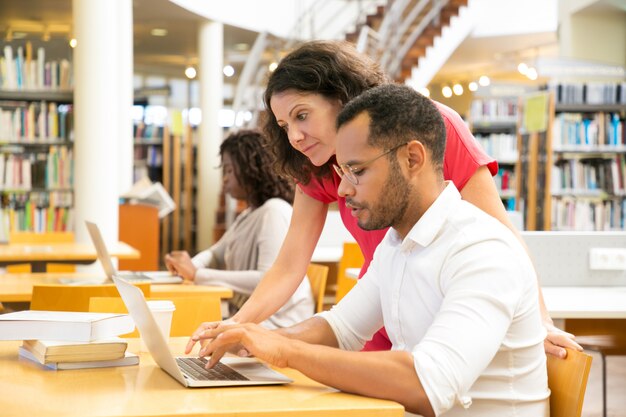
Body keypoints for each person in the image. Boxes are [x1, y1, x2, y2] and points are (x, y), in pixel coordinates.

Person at [190, 40, 579, 356]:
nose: (293, 136)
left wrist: (540, 321)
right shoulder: (315, 161)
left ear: (342, 97)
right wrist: (239, 327)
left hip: (448, 308)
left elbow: (502, 237)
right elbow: (289, 265)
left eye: (302, 116)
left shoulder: (432, 129)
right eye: (283, 125)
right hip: (382, 302)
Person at [190, 84, 551, 416]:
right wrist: (254, 340)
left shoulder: (482, 250)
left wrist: (284, 350)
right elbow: (340, 328)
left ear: (412, 159)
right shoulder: (397, 243)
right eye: (342, 171)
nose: (343, 191)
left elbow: (427, 383)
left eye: (357, 171)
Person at [165, 129, 314, 329]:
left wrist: (197, 274)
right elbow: (215, 254)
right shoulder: (248, 214)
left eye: (228, 170)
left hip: (277, 325)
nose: (224, 179)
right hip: (253, 320)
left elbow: (266, 279)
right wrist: (189, 266)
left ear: (251, 169)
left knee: (188, 330)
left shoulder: (274, 212)